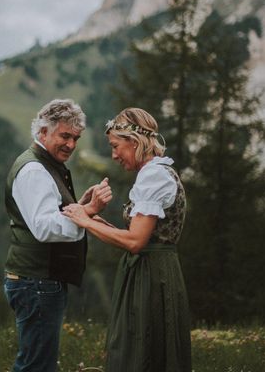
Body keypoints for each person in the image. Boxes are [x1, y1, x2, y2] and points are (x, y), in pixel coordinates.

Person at [62, 107, 191, 372]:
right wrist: (96, 220)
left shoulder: (154, 176)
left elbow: (135, 242)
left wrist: (85, 221)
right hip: (151, 269)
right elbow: (139, 235)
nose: (113, 155)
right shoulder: (152, 174)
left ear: (134, 142)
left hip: (152, 274)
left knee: (145, 347)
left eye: (115, 146)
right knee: (142, 345)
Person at [4, 98, 113, 372]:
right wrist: (88, 211)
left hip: (38, 280)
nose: (72, 145)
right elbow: (44, 227)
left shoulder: (44, 164)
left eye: (76, 138)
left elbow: (52, 213)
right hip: (37, 281)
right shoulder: (34, 170)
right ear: (43, 132)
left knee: (38, 362)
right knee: (36, 366)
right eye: (65, 136)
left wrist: (82, 206)